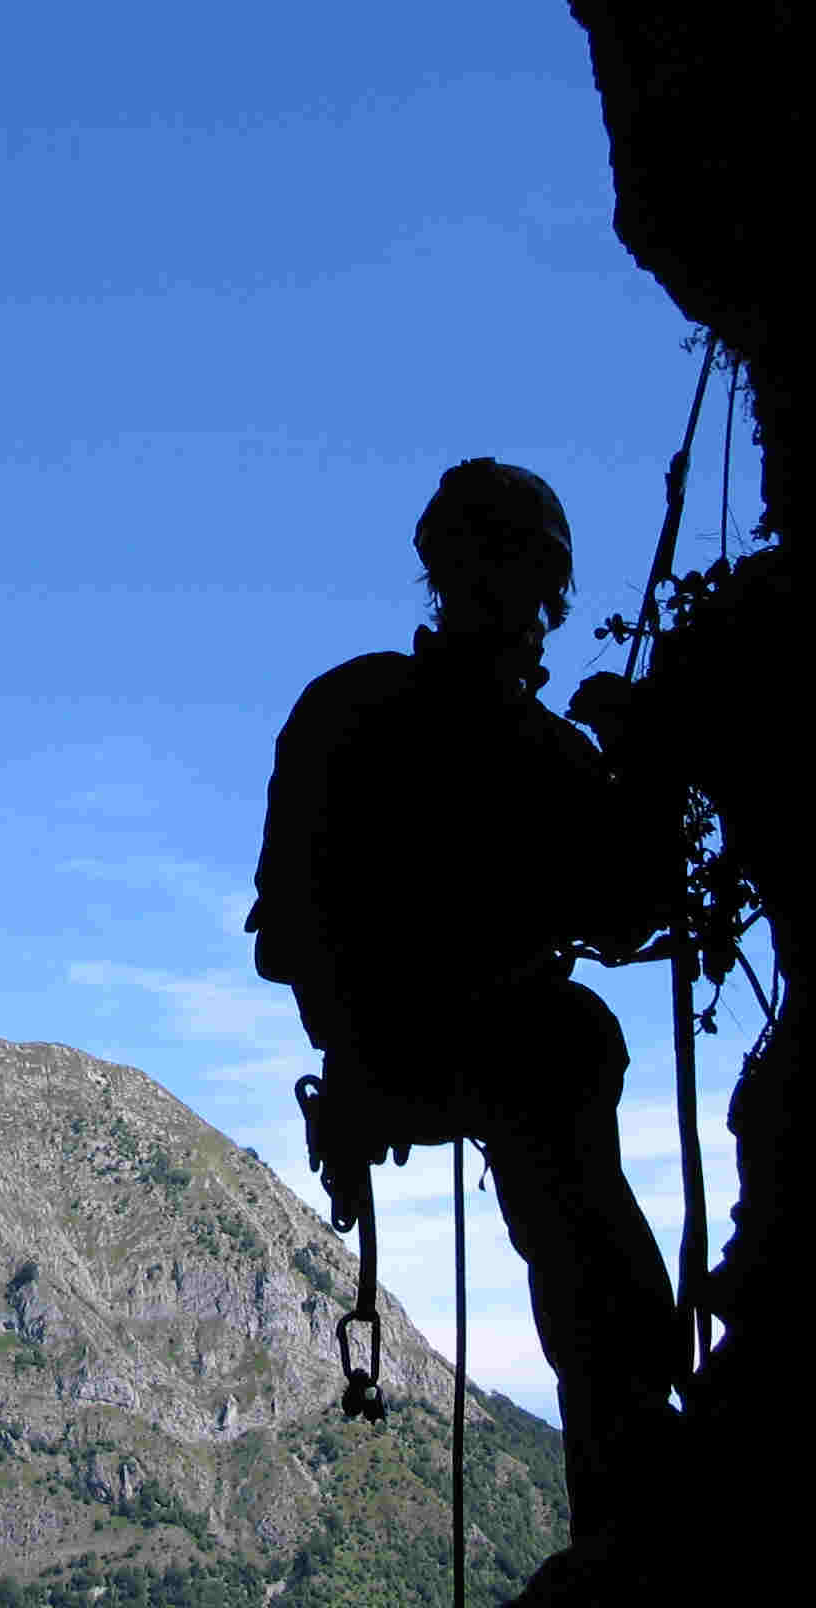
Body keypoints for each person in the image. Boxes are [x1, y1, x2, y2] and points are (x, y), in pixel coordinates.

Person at [246, 457, 682, 1539]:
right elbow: (634, 908)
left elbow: (279, 936)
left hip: (385, 1059)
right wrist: (646, 760)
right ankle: (630, 1468)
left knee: (564, 1068)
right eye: (537, 594)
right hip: (473, 1058)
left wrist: (357, 1035)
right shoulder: (545, 757)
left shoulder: (347, 709)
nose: (535, 618)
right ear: (538, 593)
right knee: (571, 1055)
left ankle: (628, 1462)